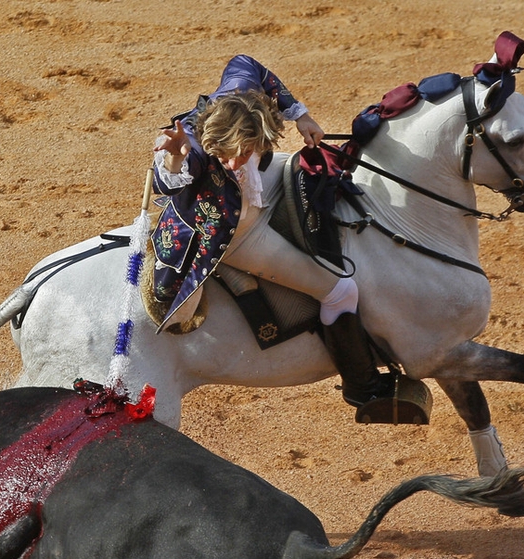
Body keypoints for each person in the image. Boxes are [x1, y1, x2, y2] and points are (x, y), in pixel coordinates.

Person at [150, 54, 392, 416]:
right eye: (230, 154)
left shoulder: (241, 94)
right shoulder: (196, 147)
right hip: (238, 233)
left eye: (246, 151)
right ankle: (363, 386)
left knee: (322, 167)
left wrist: (301, 116)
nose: (235, 162)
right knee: (341, 290)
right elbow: (169, 180)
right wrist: (172, 159)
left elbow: (247, 63)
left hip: (261, 186)